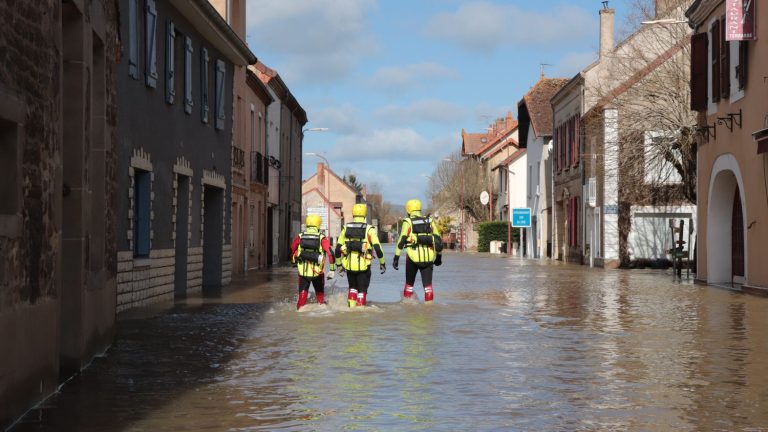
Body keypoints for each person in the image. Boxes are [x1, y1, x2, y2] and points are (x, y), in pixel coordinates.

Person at [335, 203, 386, 307]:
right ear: (365, 215)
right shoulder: (369, 229)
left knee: (352, 288)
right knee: (362, 290)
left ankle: (351, 311)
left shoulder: (345, 228)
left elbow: (337, 249)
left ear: (353, 214)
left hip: (349, 266)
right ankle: (360, 313)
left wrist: (339, 265)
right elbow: (378, 249)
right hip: (364, 267)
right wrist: (382, 263)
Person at [392, 199, 442, 303]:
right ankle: (429, 309)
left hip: (412, 258)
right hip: (428, 258)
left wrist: (396, 257)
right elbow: (438, 240)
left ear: (409, 210)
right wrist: (439, 257)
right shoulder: (430, 221)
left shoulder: (408, 222)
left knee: (409, 285)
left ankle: (407, 306)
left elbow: (401, 240)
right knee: (428, 287)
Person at [290, 214, 336, 310]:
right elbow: (330, 253)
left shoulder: (300, 236)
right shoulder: (322, 238)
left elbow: (292, 249)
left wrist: (294, 261)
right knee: (320, 298)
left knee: (302, 296)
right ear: (318, 225)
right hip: (317, 273)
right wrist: (332, 269)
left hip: (303, 272)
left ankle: (300, 311)